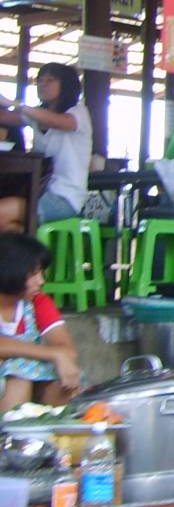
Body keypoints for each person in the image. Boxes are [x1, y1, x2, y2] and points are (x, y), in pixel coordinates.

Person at [0, 64, 92, 233]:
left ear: (66, 84)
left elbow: (56, 121)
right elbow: (5, 117)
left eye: (50, 80)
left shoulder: (78, 112)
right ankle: (31, 255)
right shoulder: (35, 116)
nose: (43, 84)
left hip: (65, 197)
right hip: (37, 191)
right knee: (8, 228)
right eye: (40, 80)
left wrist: (16, 104)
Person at [0, 233, 80, 410]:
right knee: (19, 374)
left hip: (32, 381)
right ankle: (10, 434)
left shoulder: (38, 303)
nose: (41, 281)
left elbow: (68, 351)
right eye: (33, 274)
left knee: (68, 383)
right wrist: (54, 354)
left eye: (41, 273)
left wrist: (60, 357)